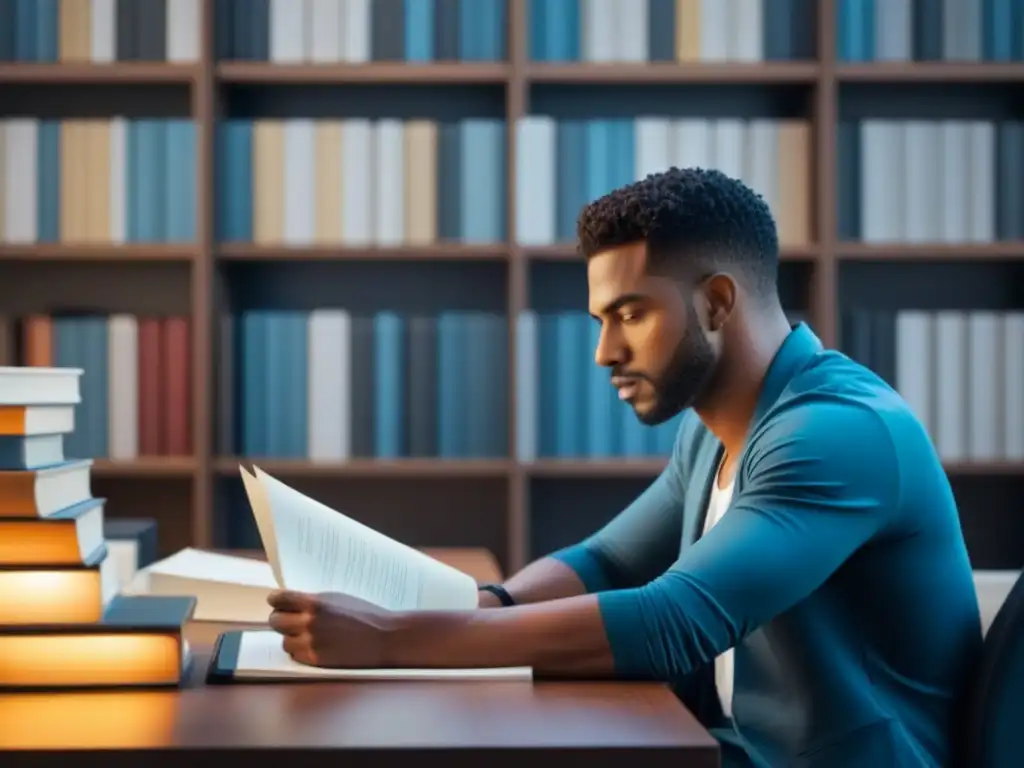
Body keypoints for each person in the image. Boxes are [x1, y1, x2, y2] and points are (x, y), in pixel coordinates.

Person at [266, 168, 983, 767]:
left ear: (717, 302)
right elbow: (608, 561)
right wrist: (488, 606)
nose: (604, 352)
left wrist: (392, 638)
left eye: (630, 314)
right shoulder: (720, 428)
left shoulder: (836, 435)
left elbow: (673, 621)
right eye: (600, 320)